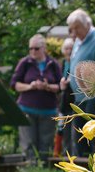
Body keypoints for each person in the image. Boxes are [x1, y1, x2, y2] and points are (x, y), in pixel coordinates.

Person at [67, 9, 95, 156]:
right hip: (79, 98)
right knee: (81, 139)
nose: (74, 32)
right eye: (71, 29)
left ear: (87, 24)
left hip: (94, 98)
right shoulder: (78, 42)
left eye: (77, 28)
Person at [10, 34, 62, 164]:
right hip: (27, 110)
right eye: (31, 48)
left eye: (36, 48)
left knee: (46, 146)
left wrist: (47, 86)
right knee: (28, 145)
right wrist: (30, 86)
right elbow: (14, 84)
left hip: (48, 112)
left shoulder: (53, 64)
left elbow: (60, 86)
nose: (33, 51)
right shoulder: (24, 63)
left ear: (44, 48)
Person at [59, 37, 74, 154]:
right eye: (67, 48)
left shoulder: (76, 62)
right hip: (64, 103)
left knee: (73, 132)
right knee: (65, 131)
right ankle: (65, 154)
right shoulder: (63, 63)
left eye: (71, 48)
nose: (69, 51)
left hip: (74, 101)